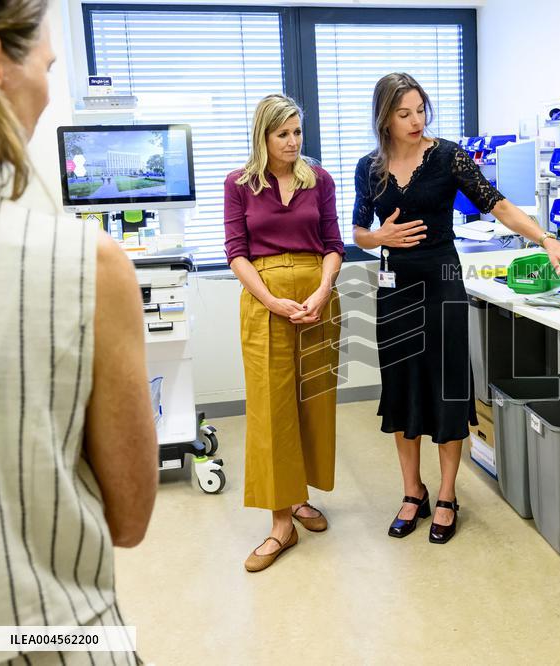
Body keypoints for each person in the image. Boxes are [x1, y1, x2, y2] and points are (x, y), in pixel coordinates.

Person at [0, 1, 158, 663]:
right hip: (52, 633)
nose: (48, 91)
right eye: (48, 65)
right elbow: (130, 518)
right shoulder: (85, 264)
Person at [352, 73, 560, 544]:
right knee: (403, 393)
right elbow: (358, 229)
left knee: (446, 392)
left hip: (442, 281)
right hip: (395, 290)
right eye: (405, 114)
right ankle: (411, 491)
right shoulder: (370, 167)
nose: (416, 120)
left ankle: (446, 494)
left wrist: (547, 239)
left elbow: (497, 205)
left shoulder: (447, 155)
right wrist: (376, 238)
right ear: (384, 117)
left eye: (421, 109)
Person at [224, 94, 344, 572]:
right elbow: (236, 252)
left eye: (297, 132)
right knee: (272, 407)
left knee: (312, 402)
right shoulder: (239, 184)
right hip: (265, 303)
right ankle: (280, 523)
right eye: (283, 134)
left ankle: (299, 496)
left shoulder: (321, 180)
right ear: (264, 137)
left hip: (317, 300)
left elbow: (334, 244)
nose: (293, 142)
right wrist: (270, 299)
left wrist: (321, 290)